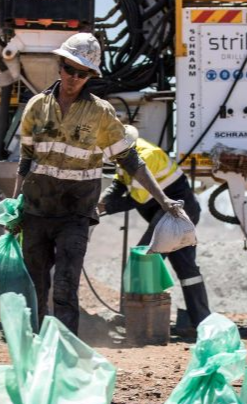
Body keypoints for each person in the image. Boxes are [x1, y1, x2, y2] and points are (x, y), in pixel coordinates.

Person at [13, 33, 181, 335]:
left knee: (65, 288)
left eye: (82, 73)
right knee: (35, 289)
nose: (74, 78)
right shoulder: (37, 108)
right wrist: (15, 207)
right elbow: (25, 161)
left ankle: (62, 355)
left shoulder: (100, 113)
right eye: (69, 69)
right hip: (36, 212)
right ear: (59, 66)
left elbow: (130, 161)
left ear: (90, 76)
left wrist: (163, 200)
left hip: (75, 215)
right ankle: (36, 353)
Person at [98, 127, 211, 332]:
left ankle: (138, 320)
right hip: (171, 215)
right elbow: (119, 184)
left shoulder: (146, 157)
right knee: (187, 269)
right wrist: (102, 201)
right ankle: (201, 321)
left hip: (176, 213)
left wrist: (105, 208)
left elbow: (138, 199)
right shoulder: (124, 155)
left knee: (144, 259)